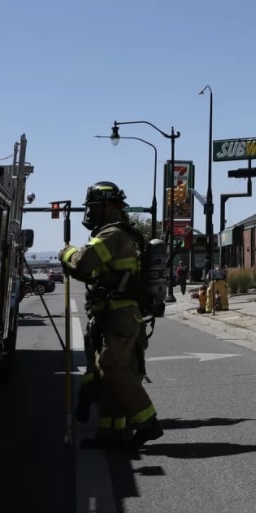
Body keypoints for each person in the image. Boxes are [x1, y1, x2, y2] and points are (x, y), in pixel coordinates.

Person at [60, 182, 163, 449]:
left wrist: (66, 252)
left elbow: (82, 264)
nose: (90, 212)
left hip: (119, 316)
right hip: (114, 316)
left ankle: (148, 423)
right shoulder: (121, 233)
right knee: (105, 376)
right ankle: (111, 435)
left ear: (109, 207)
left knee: (114, 372)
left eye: (94, 207)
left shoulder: (112, 235)